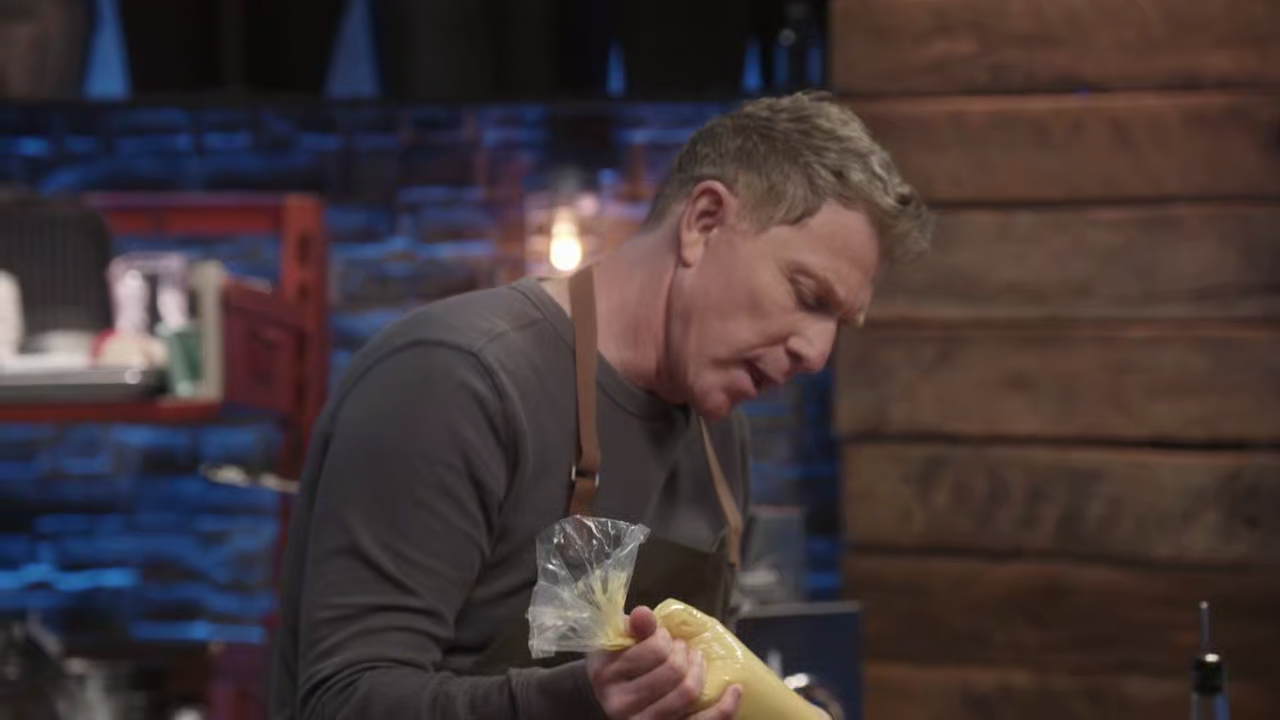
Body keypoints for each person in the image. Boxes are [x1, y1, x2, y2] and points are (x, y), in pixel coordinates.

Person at [268, 91, 933, 720]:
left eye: (839, 324)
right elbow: (341, 700)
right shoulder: (457, 381)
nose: (817, 353)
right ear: (703, 222)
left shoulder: (718, 436)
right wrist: (575, 702)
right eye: (808, 295)